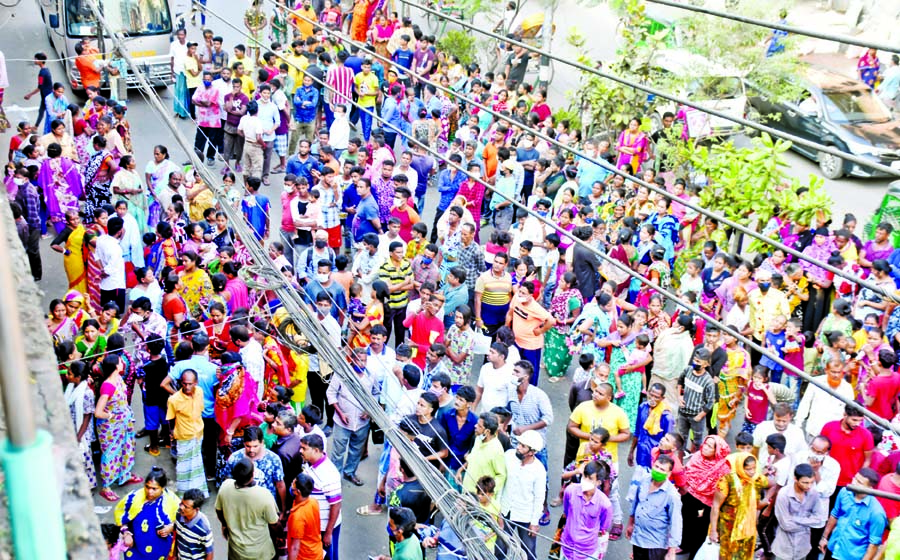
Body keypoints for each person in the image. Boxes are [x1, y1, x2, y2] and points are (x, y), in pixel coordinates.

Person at [215, 456, 280, 560]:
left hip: (236, 552)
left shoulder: (225, 487)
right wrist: (280, 536)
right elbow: (274, 524)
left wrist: (224, 524)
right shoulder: (264, 495)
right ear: (253, 475)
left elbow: (218, 510)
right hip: (261, 553)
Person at [95, 354, 140, 502]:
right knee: (111, 454)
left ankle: (124, 475)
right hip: (111, 427)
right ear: (115, 367)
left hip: (124, 422)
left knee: (126, 448)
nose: (123, 363)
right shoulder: (108, 386)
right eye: (121, 362)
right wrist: (111, 416)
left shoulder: (118, 379)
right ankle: (106, 487)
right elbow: (98, 412)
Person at [709, 453, 770, 560]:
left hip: (748, 529)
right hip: (729, 529)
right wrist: (713, 531)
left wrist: (765, 501)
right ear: (740, 467)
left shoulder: (756, 480)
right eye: (748, 469)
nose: (751, 472)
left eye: (754, 468)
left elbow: (772, 484)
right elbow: (715, 506)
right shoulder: (727, 482)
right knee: (727, 555)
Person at [498, 429, 547, 560]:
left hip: (525, 516)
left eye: (523, 446)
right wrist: (498, 511)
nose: (518, 448)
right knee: (500, 548)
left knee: (529, 551)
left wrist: (534, 522)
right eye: (519, 444)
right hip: (506, 510)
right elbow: (501, 482)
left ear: (532, 452)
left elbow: (539, 498)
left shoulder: (539, 470)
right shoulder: (509, 456)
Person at [681, 435, 732, 558]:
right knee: (686, 523)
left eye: (710, 446)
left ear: (717, 451)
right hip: (689, 496)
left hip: (705, 503)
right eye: (706, 444)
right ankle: (684, 545)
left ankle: (694, 554)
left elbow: (720, 490)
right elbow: (687, 473)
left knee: (699, 531)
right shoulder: (697, 456)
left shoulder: (723, 469)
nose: (705, 448)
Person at [114, 467, 180, 560]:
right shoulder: (133, 498)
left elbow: (183, 520)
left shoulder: (172, 501)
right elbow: (120, 516)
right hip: (135, 547)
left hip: (159, 550)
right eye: (147, 487)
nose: (150, 492)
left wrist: (171, 527)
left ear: (162, 488)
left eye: (154, 488)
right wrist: (126, 533)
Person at [820, 469, 887, 560]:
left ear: (870, 488)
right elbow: (835, 515)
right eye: (855, 478)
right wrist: (824, 537)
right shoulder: (844, 492)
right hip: (833, 547)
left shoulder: (877, 513)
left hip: (851, 556)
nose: (854, 483)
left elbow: (873, 544)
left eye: (859, 482)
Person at [626, 454, 682, 560]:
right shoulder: (644, 480)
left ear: (669, 474)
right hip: (638, 537)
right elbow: (635, 503)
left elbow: (676, 522)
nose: (658, 471)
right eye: (656, 467)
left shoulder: (672, 495)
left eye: (662, 469)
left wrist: (672, 549)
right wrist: (630, 523)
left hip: (655, 544)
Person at [299, 434, 342, 560]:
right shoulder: (309, 464)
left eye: (304, 448)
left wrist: (328, 533)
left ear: (316, 451)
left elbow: (336, 504)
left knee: (327, 556)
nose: (300, 451)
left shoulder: (328, 473)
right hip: (315, 525)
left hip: (324, 527)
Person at [560, 459, 613, 560]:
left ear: (598, 482)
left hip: (587, 552)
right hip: (567, 547)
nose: (585, 481)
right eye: (584, 476)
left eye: (590, 478)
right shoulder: (570, 491)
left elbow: (603, 526)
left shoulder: (605, 504)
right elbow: (566, 512)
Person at [772, 463, 827, 560]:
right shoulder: (784, 495)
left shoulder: (813, 493)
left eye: (811, 482)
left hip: (803, 547)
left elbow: (819, 518)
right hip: (784, 547)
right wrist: (807, 522)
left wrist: (794, 519)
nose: (809, 486)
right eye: (805, 482)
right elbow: (786, 525)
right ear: (795, 479)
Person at [166, 369, 207, 497]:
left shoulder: (199, 392)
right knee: (183, 468)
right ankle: (184, 495)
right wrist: (172, 433)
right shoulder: (174, 400)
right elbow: (171, 419)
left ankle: (198, 493)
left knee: (197, 466)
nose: (187, 387)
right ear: (181, 383)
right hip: (184, 436)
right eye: (185, 384)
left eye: (190, 384)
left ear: (196, 383)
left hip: (198, 434)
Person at [287, 473, 323, 560]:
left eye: (293, 483)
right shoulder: (313, 501)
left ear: (297, 492)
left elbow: (295, 547)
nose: (292, 483)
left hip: (304, 556)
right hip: (316, 552)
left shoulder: (298, 517)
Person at [172, 489, 215, 560]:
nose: (181, 507)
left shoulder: (204, 528)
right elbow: (178, 537)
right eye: (181, 503)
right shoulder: (179, 514)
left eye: (186, 507)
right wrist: (175, 555)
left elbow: (209, 553)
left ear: (196, 509)